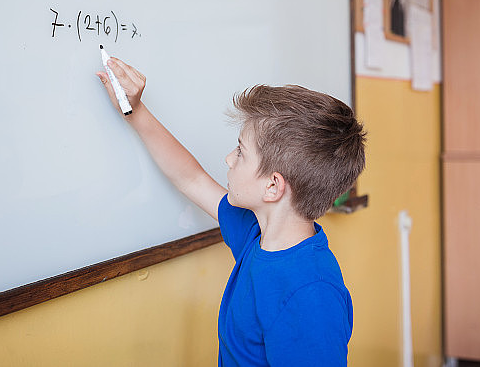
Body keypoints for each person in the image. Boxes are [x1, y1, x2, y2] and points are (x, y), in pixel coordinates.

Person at [96, 59, 366, 366]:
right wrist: (135, 111)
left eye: (240, 152)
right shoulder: (257, 234)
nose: (228, 159)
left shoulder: (310, 295)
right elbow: (192, 179)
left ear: (273, 186)